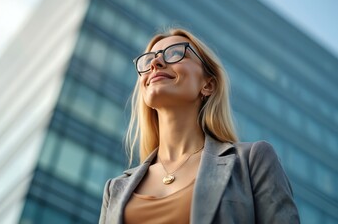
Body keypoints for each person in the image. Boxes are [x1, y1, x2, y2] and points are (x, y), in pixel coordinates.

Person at [99, 28, 300, 224]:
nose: (156, 62)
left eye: (176, 53)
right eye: (149, 59)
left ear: (208, 85)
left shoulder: (252, 161)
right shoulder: (115, 189)